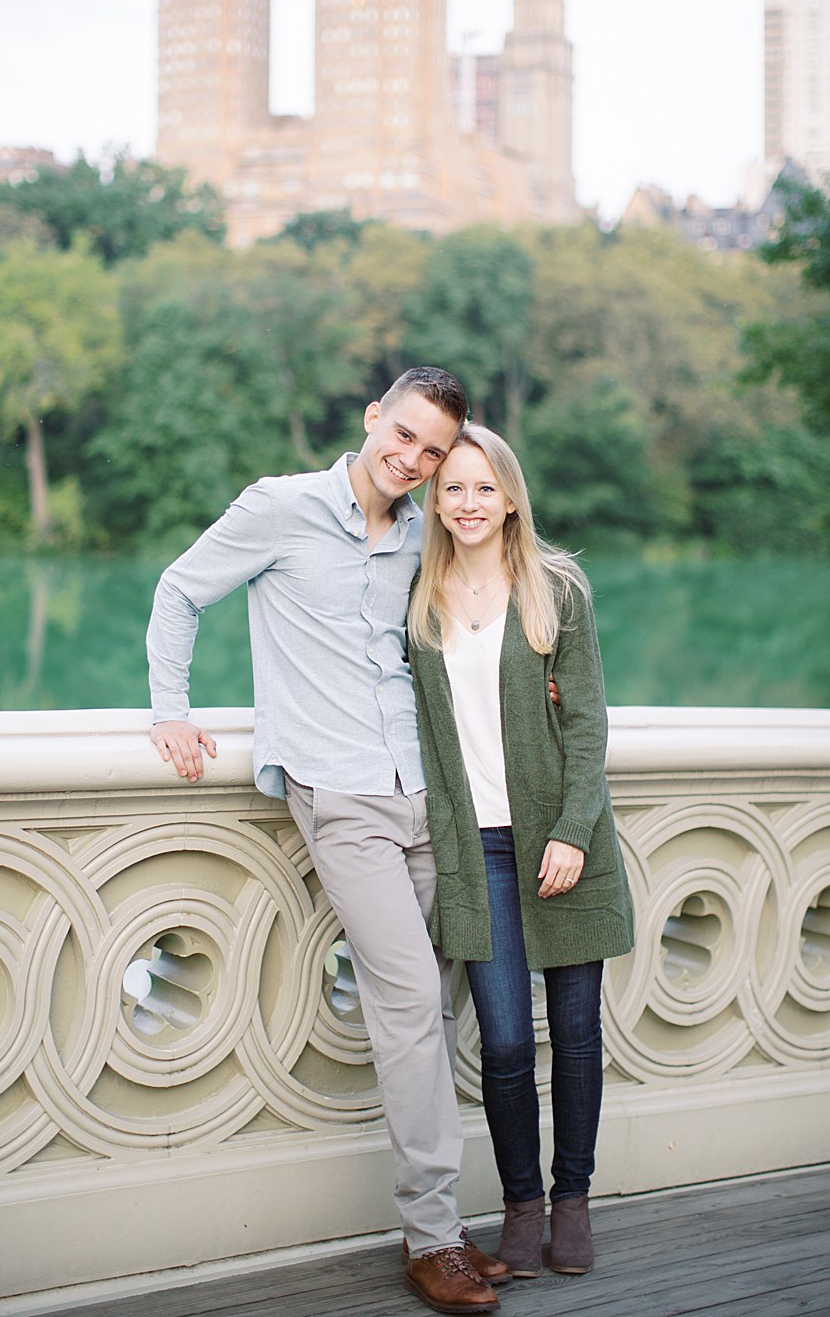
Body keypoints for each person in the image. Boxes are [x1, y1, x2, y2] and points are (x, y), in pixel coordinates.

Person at [147, 369, 511, 1315]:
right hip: (339, 793)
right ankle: (432, 1238)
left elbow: (470, 626)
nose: (415, 460)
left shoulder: (425, 534)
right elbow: (181, 592)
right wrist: (170, 713)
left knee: (438, 1006)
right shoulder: (280, 509)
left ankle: (441, 1226)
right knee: (403, 1000)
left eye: (433, 452)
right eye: (405, 436)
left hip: (427, 794)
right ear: (372, 420)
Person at [407, 423, 635, 1281]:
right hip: (479, 852)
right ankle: (521, 1204)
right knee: (502, 1042)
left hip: (559, 841)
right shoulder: (419, 600)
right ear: (437, 499)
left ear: (510, 497)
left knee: (574, 1034)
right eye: (451, 488)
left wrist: (574, 831)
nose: (467, 504)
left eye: (482, 488)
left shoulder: (555, 591)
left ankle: (571, 1199)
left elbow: (586, 723)